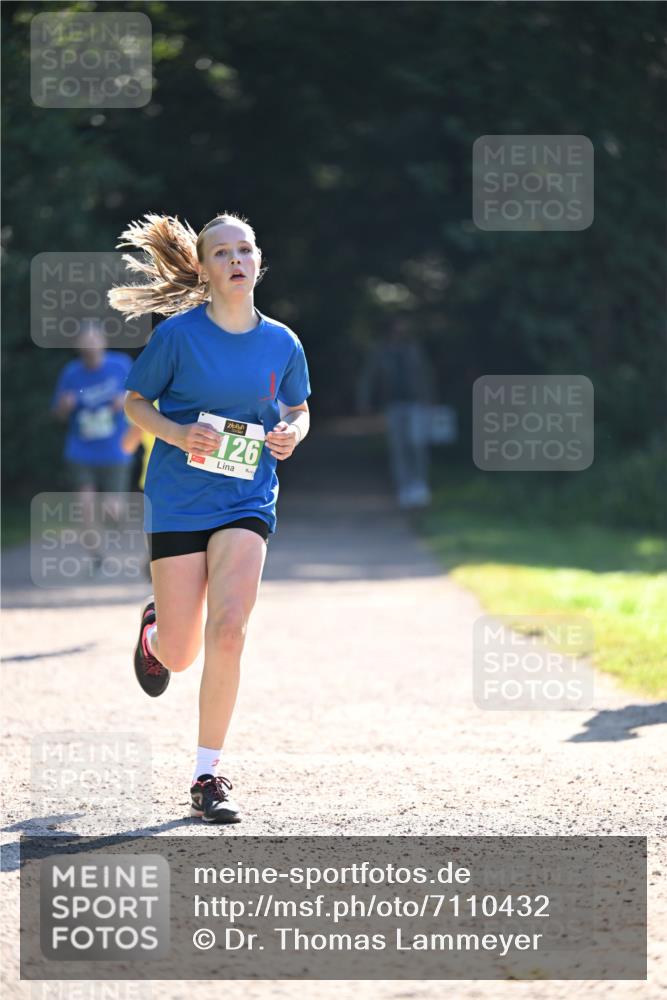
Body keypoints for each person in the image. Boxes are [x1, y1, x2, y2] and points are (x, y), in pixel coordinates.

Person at [108, 212, 311, 823]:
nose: (236, 259)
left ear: (258, 261)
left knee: (229, 628)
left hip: (247, 498)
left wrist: (291, 436)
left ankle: (207, 774)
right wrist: (176, 431)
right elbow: (134, 401)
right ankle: (154, 632)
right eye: (221, 252)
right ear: (202, 267)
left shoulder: (282, 341)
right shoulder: (176, 336)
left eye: (245, 249)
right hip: (178, 499)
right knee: (180, 654)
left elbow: (298, 408)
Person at [51, 323, 134, 562]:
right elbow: (58, 413)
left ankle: (116, 521)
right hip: (81, 450)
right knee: (85, 505)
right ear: (78, 347)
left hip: (116, 449)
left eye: (93, 341)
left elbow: (142, 396)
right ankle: (96, 553)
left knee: (112, 507)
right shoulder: (71, 373)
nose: (90, 348)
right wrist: (64, 406)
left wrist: (125, 400)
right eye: (84, 343)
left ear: (103, 342)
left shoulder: (120, 365)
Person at [358, 315, 434, 509]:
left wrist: (429, 398)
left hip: (415, 403)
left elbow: (425, 374)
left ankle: (419, 485)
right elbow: (370, 376)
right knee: (398, 447)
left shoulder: (414, 349)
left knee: (417, 444)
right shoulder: (380, 351)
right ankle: (404, 488)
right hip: (392, 404)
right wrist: (365, 402)